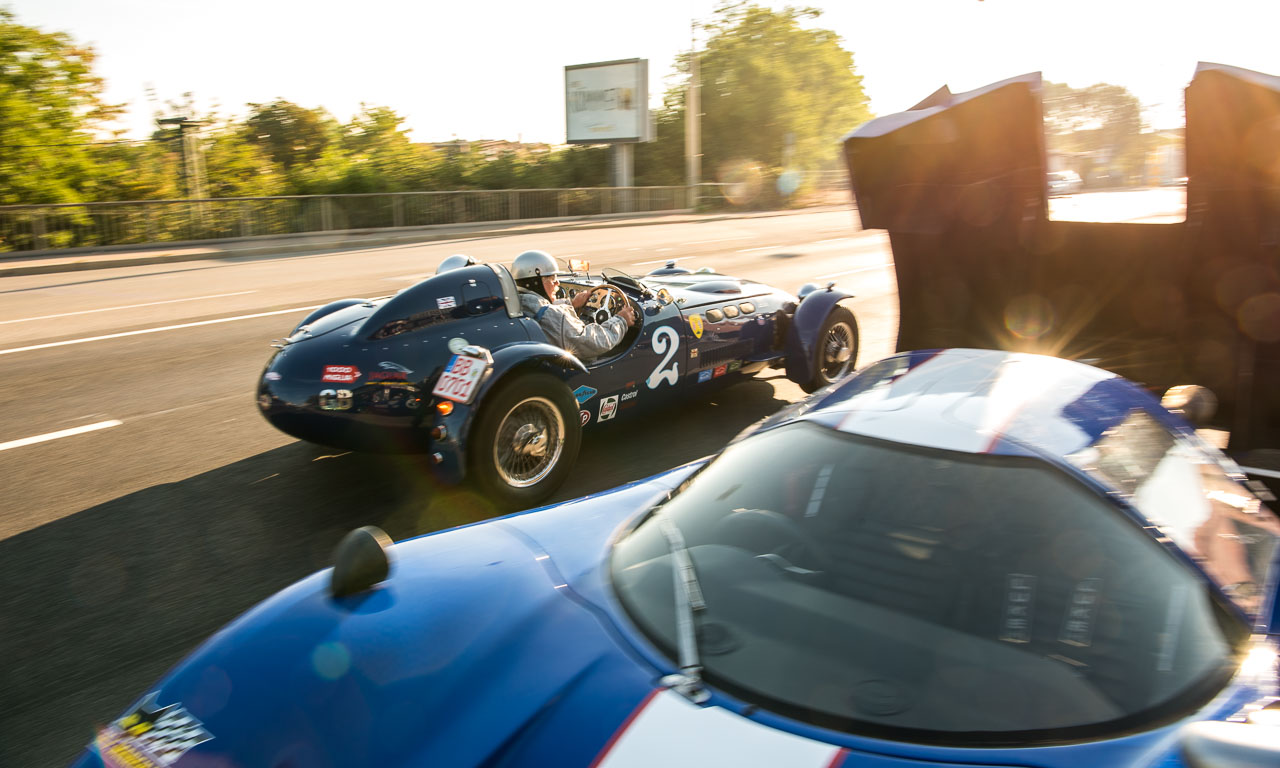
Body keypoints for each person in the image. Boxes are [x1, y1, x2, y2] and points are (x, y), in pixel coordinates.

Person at [512, 250, 636, 359]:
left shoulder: (517, 302)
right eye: (552, 278)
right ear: (536, 282)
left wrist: (571, 303)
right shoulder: (554, 316)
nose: (557, 283)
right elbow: (592, 342)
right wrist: (621, 320)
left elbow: (542, 307)